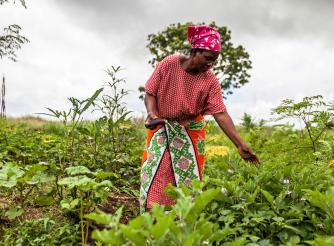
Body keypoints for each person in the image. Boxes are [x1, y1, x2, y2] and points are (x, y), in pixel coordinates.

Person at [140, 25, 260, 212]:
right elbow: (150, 92)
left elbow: (220, 113)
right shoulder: (170, 63)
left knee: (188, 178)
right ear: (195, 50)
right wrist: (152, 113)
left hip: (190, 131)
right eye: (208, 58)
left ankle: (183, 220)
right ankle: (153, 217)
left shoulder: (210, 81)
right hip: (162, 126)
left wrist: (240, 144)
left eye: (214, 61)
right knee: (156, 173)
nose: (210, 64)